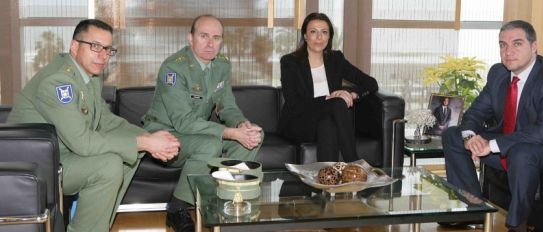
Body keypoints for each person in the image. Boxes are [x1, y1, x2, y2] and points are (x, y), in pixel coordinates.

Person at [7, 19, 180, 232]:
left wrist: (150, 137)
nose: (103, 55)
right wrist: (146, 142)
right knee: (109, 165)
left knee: (130, 152)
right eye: (95, 46)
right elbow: (83, 142)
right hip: (34, 166)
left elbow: (106, 121)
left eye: (108, 49)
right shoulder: (59, 82)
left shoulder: (89, 77)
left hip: (61, 154)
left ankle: (96, 226)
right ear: (74, 46)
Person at [441, 20, 543, 232]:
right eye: (502, 45)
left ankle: (517, 226)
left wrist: (493, 144)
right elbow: (476, 113)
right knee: (454, 135)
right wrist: (471, 138)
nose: (508, 51)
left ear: (533, 47)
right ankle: (472, 209)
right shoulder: (499, 73)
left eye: (517, 44)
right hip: (516, 141)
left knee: (521, 153)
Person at [142, 14, 263, 232]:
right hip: (164, 135)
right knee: (210, 144)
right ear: (190, 38)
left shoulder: (222, 65)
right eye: (204, 36)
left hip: (197, 132)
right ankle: (177, 208)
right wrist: (230, 133)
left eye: (216, 37)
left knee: (254, 136)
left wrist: (242, 124)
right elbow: (184, 122)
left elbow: (227, 106)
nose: (210, 43)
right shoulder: (174, 69)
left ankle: (227, 197)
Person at [279, 12, 378, 162]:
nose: (319, 37)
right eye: (313, 32)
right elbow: (294, 103)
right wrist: (330, 99)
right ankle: (354, 162)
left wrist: (352, 95)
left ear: (329, 37)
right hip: (299, 122)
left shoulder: (336, 59)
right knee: (337, 103)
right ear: (305, 36)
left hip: (328, 119)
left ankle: (328, 179)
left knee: (328, 124)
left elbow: (371, 83)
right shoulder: (290, 62)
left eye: (324, 32)